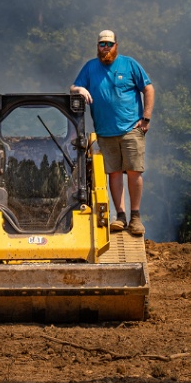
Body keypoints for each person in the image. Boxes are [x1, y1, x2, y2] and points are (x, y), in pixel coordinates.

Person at [71, 29, 154, 237]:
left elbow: (148, 88)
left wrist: (146, 117)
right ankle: (120, 216)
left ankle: (135, 218)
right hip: (105, 131)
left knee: (134, 171)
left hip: (131, 129)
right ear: (97, 46)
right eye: (102, 44)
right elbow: (74, 86)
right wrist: (79, 90)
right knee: (114, 173)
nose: (105, 48)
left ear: (116, 45)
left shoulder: (129, 64)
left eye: (109, 44)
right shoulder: (90, 67)